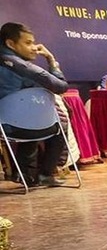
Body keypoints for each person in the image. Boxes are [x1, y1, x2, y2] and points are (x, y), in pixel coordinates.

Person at [0, 22, 68, 187]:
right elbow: (61, 86)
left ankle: (23, 173)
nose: (34, 48)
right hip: (15, 126)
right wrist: (52, 61)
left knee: (31, 118)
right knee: (59, 123)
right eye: (28, 43)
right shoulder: (24, 67)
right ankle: (45, 174)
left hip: (7, 124)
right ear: (10, 44)